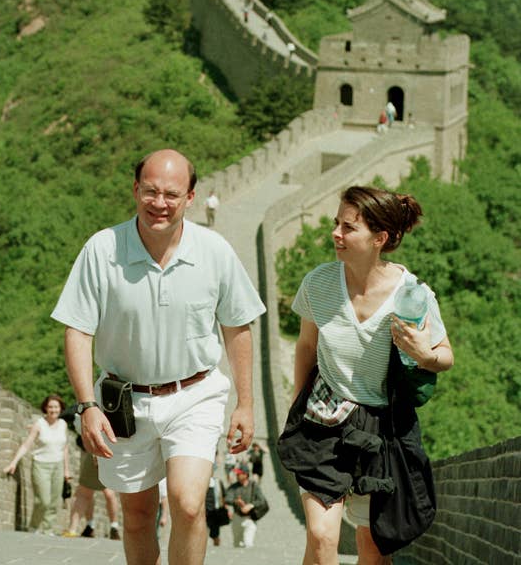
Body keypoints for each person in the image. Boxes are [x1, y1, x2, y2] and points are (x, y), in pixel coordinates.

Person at [51, 148, 266, 565]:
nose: (159, 203)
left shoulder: (214, 251)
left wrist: (245, 402)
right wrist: (87, 405)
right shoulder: (102, 249)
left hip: (195, 394)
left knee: (187, 504)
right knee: (137, 515)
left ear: (190, 197)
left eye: (171, 193)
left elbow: (238, 326)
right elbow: (77, 329)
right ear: (135, 190)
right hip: (124, 402)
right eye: (150, 192)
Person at [277, 186, 454, 565]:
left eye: (348, 227)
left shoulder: (412, 295)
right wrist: (297, 400)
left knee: (373, 549)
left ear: (380, 238)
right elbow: (307, 346)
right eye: (336, 224)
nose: (335, 234)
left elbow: (445, 357)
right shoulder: (319, 283)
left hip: (382, 429)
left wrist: (424, 354)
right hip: (322, 418)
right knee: (323, 536)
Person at [3, 394, 70, 535]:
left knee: (53, 501)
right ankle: (33, 527)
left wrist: (66, 470)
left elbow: (65, 448)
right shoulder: (39, 424)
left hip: (58, 465)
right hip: (41, 464)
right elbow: (27, 444)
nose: (53, 410)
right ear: (45, 408)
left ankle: (48, 529)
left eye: (56, 407)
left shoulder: (63, 424)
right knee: (43, 500)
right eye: (50, 406)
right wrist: (13, 462)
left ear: (61, 408)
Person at [62, 432, 120, 539]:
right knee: (93, 491)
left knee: (87, 492)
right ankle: (110, 527)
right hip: (108, 447)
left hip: (100, 446)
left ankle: (74, 529)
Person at [225, 468, 266, 548]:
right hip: (237, 518)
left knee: (248, 543)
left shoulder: (254, 486)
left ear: (246, 475)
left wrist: (250, 505)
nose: (237, 475)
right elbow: (227, 499)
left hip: (250, 518)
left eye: (239, 474)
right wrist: (236, 501)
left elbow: (262, 500)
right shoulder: (233, 487)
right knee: (237, 543)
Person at [205, 475, 227, 546]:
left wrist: (226, 509)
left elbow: (223, 495)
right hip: (204, 511)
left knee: (215, 534)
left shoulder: (217, 481)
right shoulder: (202, 480)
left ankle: (216, 548)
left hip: (215, 512)